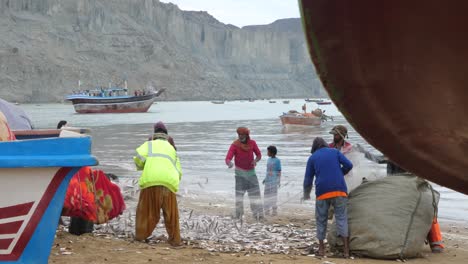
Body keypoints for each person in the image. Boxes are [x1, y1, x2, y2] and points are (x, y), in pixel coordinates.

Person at [133, 121, 183, 246]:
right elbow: (179, 171)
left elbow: (139, 160)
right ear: (166, 135)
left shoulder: (149, 144)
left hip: (151, 181)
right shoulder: (171, 148)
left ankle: (141, 236)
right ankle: (175, 240)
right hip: (169, 183)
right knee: (171, 214)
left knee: (146, 211)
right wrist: (172, 182)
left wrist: (143, 166)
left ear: (154, 134)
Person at [303, 137, 353, 258]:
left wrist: (306, 194)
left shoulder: (312, 158)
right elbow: (349, 165)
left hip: (322, 192)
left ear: (314, 147)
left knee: (321, 220)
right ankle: (346, 251)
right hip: (340, 191)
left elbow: (308, 180)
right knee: (341, 218)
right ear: (325, 144)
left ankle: (321, 250)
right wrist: (341, 173)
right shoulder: (335, 152)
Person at [225, 127, 264, 220]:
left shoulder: (252, 143)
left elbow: (259, 155)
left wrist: (255, 161)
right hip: (240, 176)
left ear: (247, 135)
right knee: (239, 197)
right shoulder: (235, 145)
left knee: (255, 196)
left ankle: (259, 216)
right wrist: (229, 163)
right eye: (239, 135)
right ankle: (238, 216)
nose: (240, 136)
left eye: (242, 135)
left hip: (251, 174)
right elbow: (228, 158)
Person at [263, 145, 282, 216]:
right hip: (268, 181)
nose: (267, 153)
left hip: (273, 181)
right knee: (266, 195)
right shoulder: (268, 159)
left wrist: (278, 181)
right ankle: (266, 210)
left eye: (268, 151)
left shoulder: (277, 161)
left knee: (273, 196)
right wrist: (265, 179)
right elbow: (268, 170)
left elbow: (279, 171)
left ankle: (274, 211)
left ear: (272, 152)